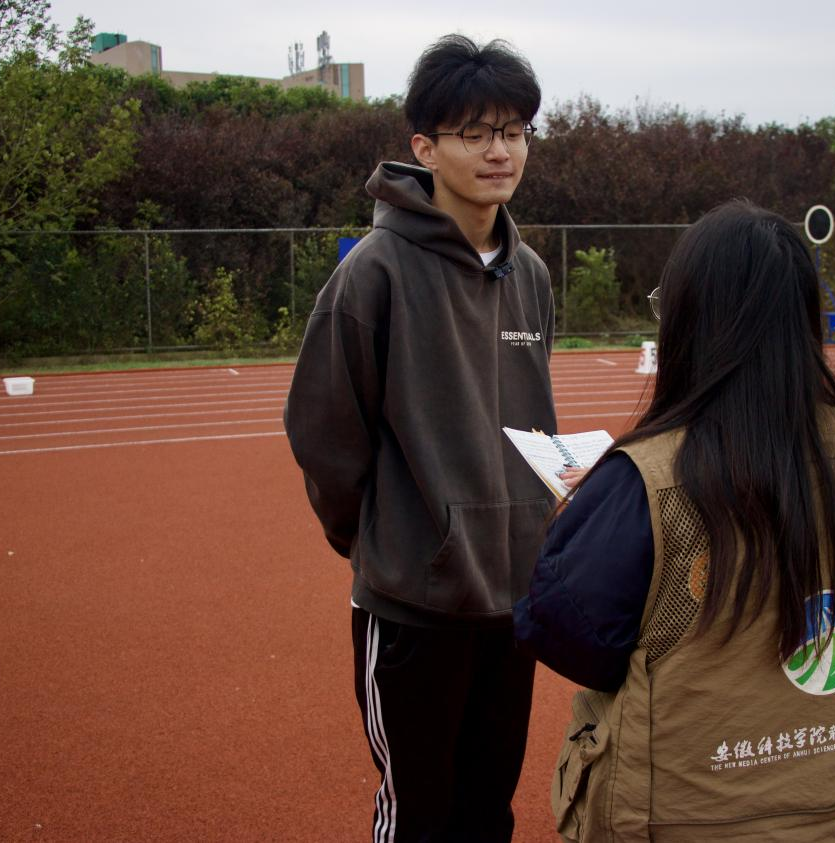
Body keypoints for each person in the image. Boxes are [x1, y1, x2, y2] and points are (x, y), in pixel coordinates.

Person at [515, 201, 835, 841]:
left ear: (689, 324)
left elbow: (568, 634)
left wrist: (586, 515)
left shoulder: (643, 480)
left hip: (688, 811)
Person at [284, 35, 564, 842]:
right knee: (418, 813)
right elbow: (323, 432)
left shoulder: (532, 275)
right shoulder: (373, 272)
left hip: (512, 598)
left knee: (488, 811)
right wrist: (385, 539)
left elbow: (532, 420)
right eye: (473, 133)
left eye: (512, 131)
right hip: (415, 604)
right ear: (424, 146)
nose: (498, 151)